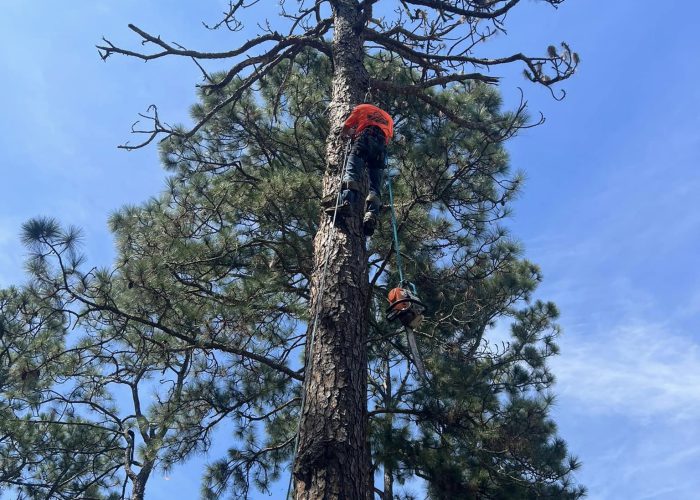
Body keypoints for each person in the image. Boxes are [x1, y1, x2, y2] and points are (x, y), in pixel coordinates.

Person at [323, 104, 394, 236]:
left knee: (352, 172)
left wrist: (348, 135)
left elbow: (346, 128)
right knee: (375, 186)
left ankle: (346, 202)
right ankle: (371, 215)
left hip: (365, 139)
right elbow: (387, 138)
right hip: (380, 147)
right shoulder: (388, 118)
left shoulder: (362, 108)